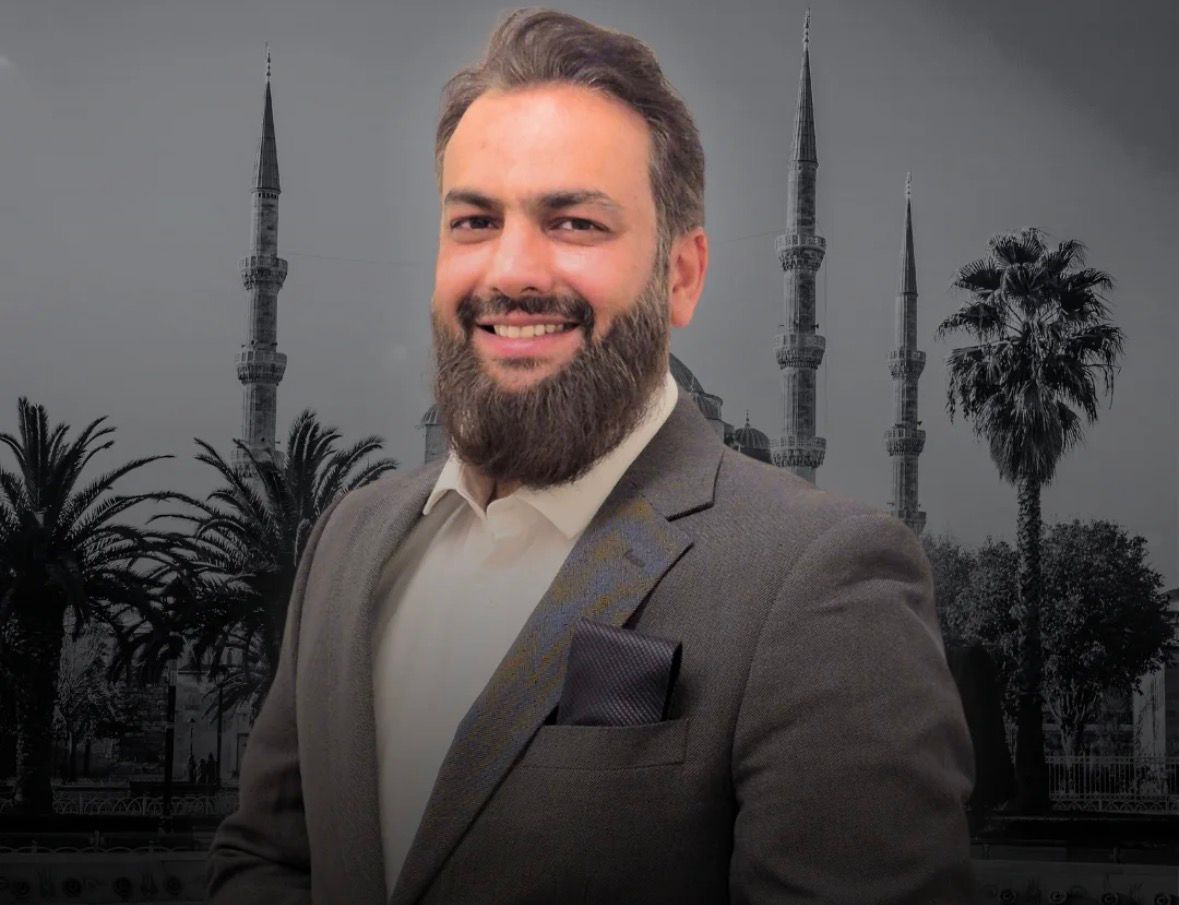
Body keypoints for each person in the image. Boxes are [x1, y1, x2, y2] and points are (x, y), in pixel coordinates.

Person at [207, 9, 975, 904]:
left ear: (681, 274)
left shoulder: (820, 582)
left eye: (573, 221)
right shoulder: (349, 542)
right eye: (474, 220)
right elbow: (267, 857)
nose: (512, 270)